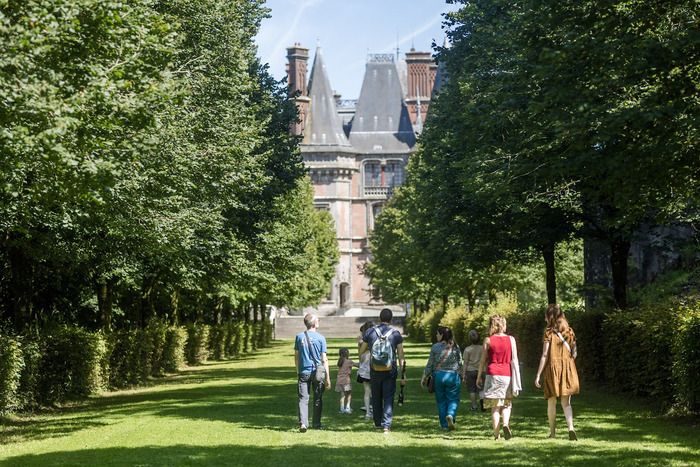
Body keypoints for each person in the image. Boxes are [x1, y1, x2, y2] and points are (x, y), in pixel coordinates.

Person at [535, 303, 580, 440]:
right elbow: (575, 352)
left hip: (553, 369)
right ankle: (571, 428)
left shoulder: (549, 332)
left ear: (550, 317)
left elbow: (544, 355)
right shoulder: (569, 331)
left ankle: (553, 433)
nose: (544, 319)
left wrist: (538, 375)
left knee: (551, 402)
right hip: (567, 368)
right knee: (566, 403)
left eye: (546, 317)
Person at [358, 308, 406, 433]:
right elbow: (401, 355)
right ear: (391, 319)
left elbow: (361, 350)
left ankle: (377, 422)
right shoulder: (395, 334)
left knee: (376, 396)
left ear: (380, 318)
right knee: (388, 396)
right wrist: (403, 373)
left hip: (374, 369)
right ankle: (386, 425)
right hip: (390, 369)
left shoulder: (370, 332)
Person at [477, 315, 522, 440]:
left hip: (492, 374)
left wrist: (479, 375)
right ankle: (506, 424)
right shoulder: (511, 339)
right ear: (503, 325)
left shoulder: (488, 340)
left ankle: (497, 435)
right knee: (507, 403)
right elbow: (514, 359)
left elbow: (482, 360)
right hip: (506, 374)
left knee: (495, 407)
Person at [421, 326, 463, 430]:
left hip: (439, 376)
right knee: (453, 399)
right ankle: (450, 415)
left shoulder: (435, 347)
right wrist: (462, 375)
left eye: (437, 334)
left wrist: (424, 376)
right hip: (453, 376)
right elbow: (460, 362)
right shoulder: (455, 346)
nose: (436, 335)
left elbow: (430, 364)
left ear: (442, 335)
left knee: (441, 401)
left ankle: (444, 425)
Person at [294, 313, 331, 432]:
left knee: (303, 399)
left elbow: (296, 355)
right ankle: (317, 423)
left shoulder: (299, 337)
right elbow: (324, 359)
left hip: (303, 371)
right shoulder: (321, 338)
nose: (319, 321)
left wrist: (297, 370)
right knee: (318, 398)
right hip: (317, 372)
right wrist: (328, 378)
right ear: (314, 323)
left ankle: (303, 423)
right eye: (318, 320)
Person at [462, 329, 483, 412]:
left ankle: (474, 406)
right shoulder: (482, 348)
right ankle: (483, 402)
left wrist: (463, 375)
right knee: (481, 388)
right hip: (481, 370)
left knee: (472, 389)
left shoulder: (467, 349)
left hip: (470, 371)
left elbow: (465, 363)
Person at [357, 321, 373, 420]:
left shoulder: (361, 341)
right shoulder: (375, 339)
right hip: (374, 365)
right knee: (375, 390)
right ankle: (374, 408)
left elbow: (360, 356)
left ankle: (367, 412)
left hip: (364, 367)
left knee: (367, 391)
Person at [335, 347, 358, 414]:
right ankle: (347, 408)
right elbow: (357, 365)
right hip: (346, 380)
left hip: (339, 380)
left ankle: (342, 409)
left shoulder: (340, 361)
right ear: (347, 354)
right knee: (349, 394)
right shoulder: (349, 361)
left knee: (342, 395)